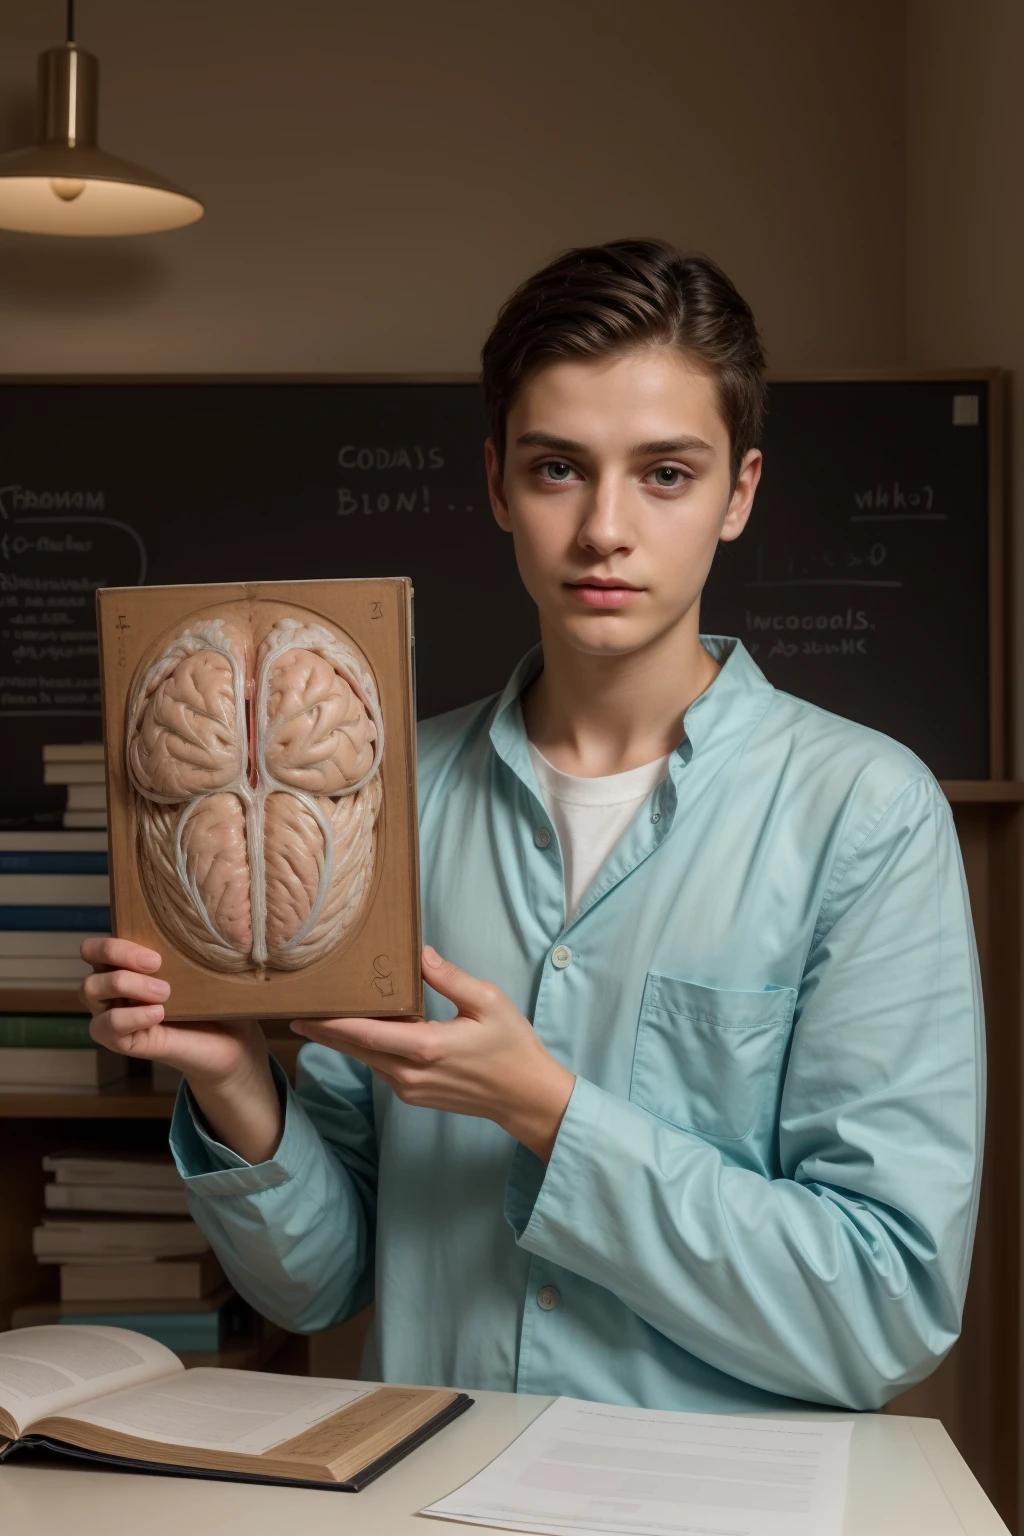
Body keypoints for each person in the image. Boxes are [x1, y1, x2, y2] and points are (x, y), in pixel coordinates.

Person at [80, 239, 984, 1414]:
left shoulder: (864, 813)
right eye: (561, 469)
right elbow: (321, 1285)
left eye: (665, 474)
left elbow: (884, 1309)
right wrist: (233, 1084)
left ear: (739, 493)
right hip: (428, 1493)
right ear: (498, 482)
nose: (605, 527)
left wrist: (546, 1112)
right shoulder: (389, 798)